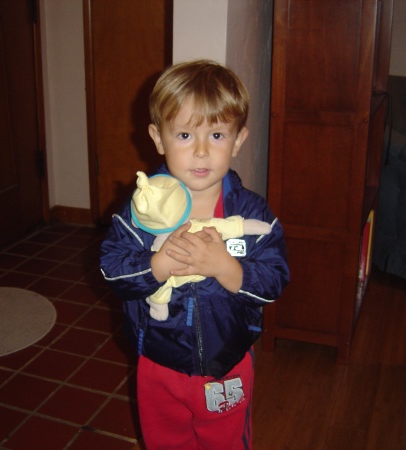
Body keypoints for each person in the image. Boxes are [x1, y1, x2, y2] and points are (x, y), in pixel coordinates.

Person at [100, 60, 289, 449]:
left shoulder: (252, 214)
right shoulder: (141, 211)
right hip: (158, 365)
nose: (201, 151)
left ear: (238, 140)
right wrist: (156, 266)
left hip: (225, 368)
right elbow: (111, 268)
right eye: (185, 135)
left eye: (217, 135)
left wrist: (226, 268)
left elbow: (274, 279)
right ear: (158, 138)